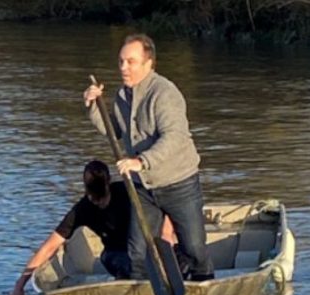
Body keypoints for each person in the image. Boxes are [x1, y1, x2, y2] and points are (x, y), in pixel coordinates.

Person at [82, 33, 214, 281]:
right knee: (137, 252)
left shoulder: (165, 93)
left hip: (179, 183)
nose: (123, 67)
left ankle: (205, 287)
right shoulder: (122, 96)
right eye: (121, 61)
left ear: (148, 63)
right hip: (144, 187)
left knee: (195, 248)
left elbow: (174, 137)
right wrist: (93, 107)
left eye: (130, 62)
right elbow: (114, 131)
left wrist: (141, 161)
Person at [9, 160, 132, 295]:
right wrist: (20, 285)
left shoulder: (127, 192)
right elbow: (49, 247)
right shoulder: (82, 209)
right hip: (115, 254)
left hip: (139, 248)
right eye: (94, 199)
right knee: (120, 261)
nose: (99, 203)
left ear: (109, 183)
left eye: (103, 199)